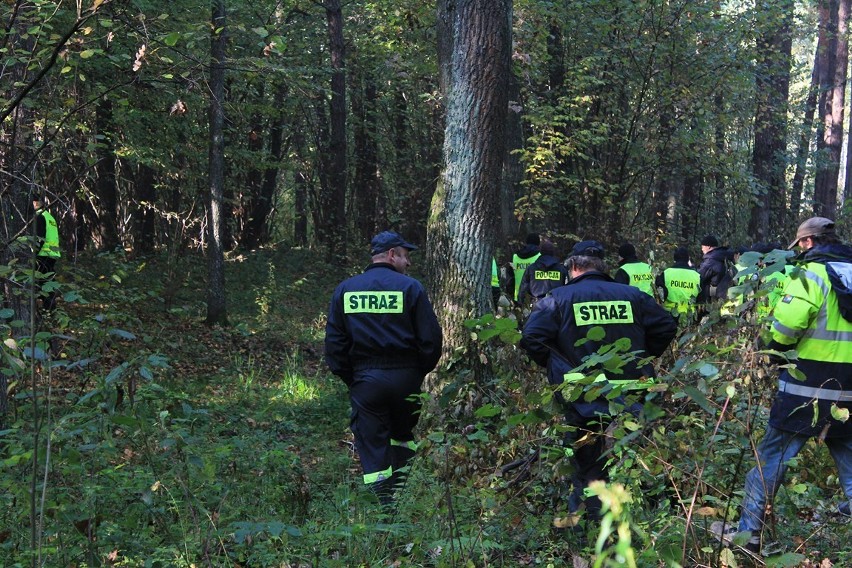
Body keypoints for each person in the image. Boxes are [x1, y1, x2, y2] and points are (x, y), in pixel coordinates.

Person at [713, 217, 852, 552]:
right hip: (850, 392)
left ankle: (749, 534)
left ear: (807, 243)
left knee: (771, 458)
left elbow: (785, 329)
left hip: (808, 387)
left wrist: (770, 353)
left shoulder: (810, 275)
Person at [520, 240, 678, 519]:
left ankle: (591, 524)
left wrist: (558, 366)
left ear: (573, 266)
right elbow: (666, 325)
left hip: (581, 395)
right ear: (603, 266)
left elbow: (532, 337)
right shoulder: (634, 296)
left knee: (585, 463)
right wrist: (643, 357)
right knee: (638, 457)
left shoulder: (557, 299)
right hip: (633, 392)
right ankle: (647, 518)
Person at [324, 230, 443, 506]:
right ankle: (400, 494)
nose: (408, 264)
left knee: (373, 443)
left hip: (366, 379)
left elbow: (334, 345)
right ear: (391, 255)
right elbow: (431, 340)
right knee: (402, 436)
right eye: (405, 256)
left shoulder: (346, 290)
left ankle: (383, 507)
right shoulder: (411, 288)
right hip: (406, 377)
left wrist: (353, 378)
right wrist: (417, 372)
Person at [517, 240, 569, 306]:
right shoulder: (562, 269)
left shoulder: (531, 268)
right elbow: (568, 288)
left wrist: (520, 303)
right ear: (553, 252)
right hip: (556, 305)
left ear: (540, 252)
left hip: (536, 305)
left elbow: (523, 288)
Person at [655, 247, 702, 318]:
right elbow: (701, 298)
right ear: (687, 259)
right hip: (689, 315)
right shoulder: (697, 276)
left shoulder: (666, 273)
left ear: (674, 259)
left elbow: (660, 294)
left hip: (669, 314)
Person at [32, 198, 61, 310]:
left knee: (43, 282)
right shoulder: (49, 216)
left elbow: (40, 238)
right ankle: (50, 309)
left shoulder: (40, 217)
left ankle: (48, 309)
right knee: (48, 282)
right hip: (52, 253)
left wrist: (35, 253)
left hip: (43, 254)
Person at [698, 235, 733, 302]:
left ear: (708, 246)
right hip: (724, 294)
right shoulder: (724, 256)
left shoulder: (711, 261)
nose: (702, 249)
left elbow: (699, 277)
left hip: (713, 297)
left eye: (703, 247)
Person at [511, 233, 541, 304]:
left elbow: (510, 276)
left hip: (518, 297)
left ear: (526, 242)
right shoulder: (540, 256)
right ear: (538, 243)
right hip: (534, 297)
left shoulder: (515, 257)